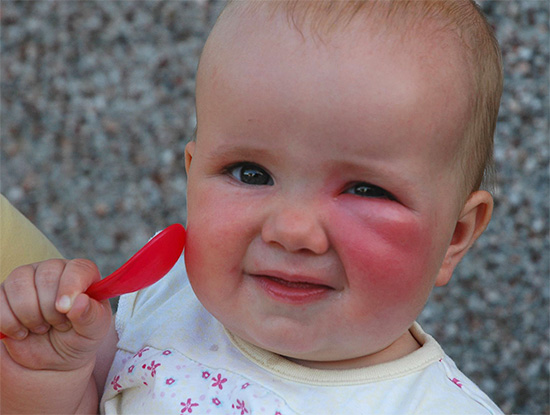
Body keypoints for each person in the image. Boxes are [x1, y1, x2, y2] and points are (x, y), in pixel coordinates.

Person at [0, 0, 504, 413]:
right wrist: (49, 372)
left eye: (365, 190)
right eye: (251, 174)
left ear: (455, 236)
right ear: (192, 174)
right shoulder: (166, 299)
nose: (292, 230)